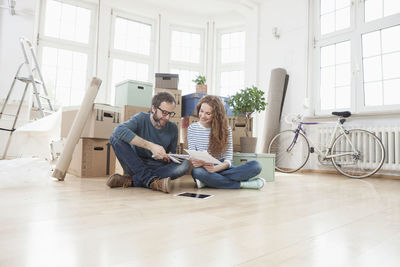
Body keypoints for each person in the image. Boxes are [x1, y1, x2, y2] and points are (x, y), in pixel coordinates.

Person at [107, 92, 190, 193]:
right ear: (154, 109)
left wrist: (168, 157)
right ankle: (151, 181)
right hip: (135, 164)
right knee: (115, 139)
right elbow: (118, 131)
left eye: (170, 114)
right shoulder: (141, 118)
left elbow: (170, 154)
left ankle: (133, 180)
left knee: (184, 164)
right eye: (164, 113)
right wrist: (151, 146)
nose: (167, 117)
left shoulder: (173, 128)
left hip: (157, 167)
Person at [187, 95, 264, 189]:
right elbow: (192, 155)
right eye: (201, 111)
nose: (202, 116)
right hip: (205, 170)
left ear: (216, 115)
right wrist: (195, 161)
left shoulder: (225, 129)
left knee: (256, 166)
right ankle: (242, 184)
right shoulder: (192, 128)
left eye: (208, 113)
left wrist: (215, 169)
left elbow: (228, 160)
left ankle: (210, 182)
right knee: (197, 172)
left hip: (222, 168)